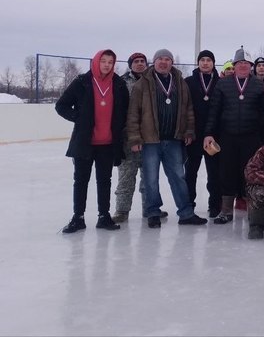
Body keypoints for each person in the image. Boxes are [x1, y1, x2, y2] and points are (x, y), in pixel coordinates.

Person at [126, 48, 207, 228]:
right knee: (151, 178)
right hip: (150, 140)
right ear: (154, 62)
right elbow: (133, 114)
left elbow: (188, 110)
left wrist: (189, 131)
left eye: (167, 59)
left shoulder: (180, 82)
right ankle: (153, 212)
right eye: (160, 59)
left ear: (172, 63)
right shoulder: (143, 84)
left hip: (174, 140)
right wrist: (135, 138)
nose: (164, 62)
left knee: (178, 176)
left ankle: (186, 213)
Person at [56, 49, 129, 233]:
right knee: (81, 180)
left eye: (110, 62)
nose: (106, 64)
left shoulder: (119, 84)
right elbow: (61, 105)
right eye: (103, 61)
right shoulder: (82, 82)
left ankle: (104, 216)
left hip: (107, 144)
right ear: (96, 62)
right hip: (84, 143)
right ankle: (78, 218)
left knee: (104, 181)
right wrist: (79, 118)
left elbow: (125, 111)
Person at [203, 46, 264, 224]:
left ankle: (254, 211)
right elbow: (214, 111)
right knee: (226, 172)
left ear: (250, 66)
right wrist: (209, 133)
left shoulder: (259, 85)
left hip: (250, 137)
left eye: (246, 63)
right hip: (227, 136)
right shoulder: (223, 84)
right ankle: (226, 211)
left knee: (251, 173)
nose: (243, 66)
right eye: (240, 63)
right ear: (234, 65)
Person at [112, 52, 153, 224]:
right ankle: (122, 211)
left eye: (142, 61)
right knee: (126, 177)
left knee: (149, 178)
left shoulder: (153, 81)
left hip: (150, 138)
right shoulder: (121, 82)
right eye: (136, 61)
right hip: (128, 138)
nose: (140, 64)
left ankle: (149, 209)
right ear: (130, 65)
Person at [184, 49, 222, 218]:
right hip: (194, 134)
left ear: (213, 63)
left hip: (214, 135)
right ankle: (188, 204)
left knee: (214, 173)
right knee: (190, 172)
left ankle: (215, 204)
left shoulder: (221, 82)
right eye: (202, 60)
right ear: (198, 62)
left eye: (209, 60)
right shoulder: (189, 82)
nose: (205, 63)